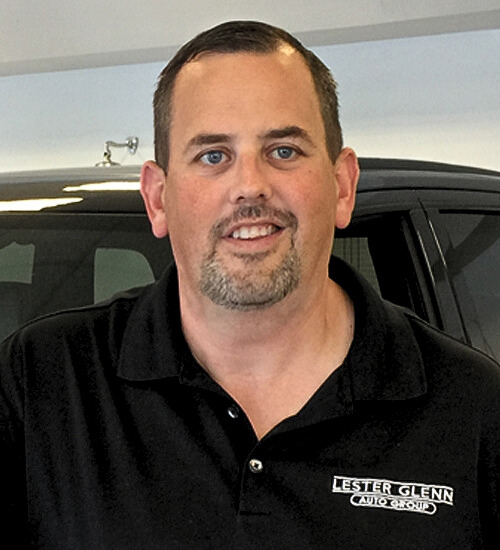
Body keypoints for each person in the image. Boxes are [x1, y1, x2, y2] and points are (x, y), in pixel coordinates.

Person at [0, 20, 499, 549]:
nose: (250, 186)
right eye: (213, 155)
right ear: (158, 198)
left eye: (283, 150)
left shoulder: (474, 410)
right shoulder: (40, 382)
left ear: (342, 186)